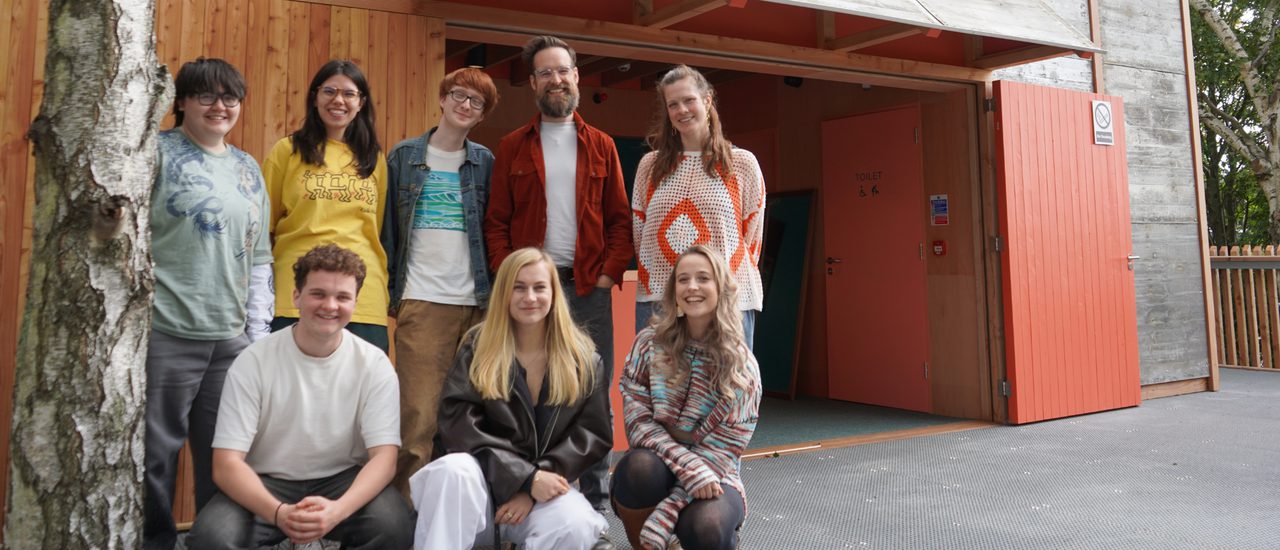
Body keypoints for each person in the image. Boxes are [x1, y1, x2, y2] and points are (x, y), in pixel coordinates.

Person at [484, 34, 632, 513]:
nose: (555, 79)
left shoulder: (603, 145)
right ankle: (531, 495)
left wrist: (607, 277)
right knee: (527, 392)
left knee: (593, 395)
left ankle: (596, 506)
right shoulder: (512, 147)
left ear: (576, 77)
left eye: (562, 70)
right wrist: (510, 279)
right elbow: (496, 223)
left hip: (586, 289)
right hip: (531, 293)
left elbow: (620, 221)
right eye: (545, 72)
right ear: (532, 83)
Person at [187, 244, 413, 549]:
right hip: (266, 481)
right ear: (296, 296)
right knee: (211, 537)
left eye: (342, 297)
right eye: (318, 294)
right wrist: (279, 513)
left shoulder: (374, 364)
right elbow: (226, 464)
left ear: (355, 302)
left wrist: (336, 512)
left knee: (393, 525)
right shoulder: (254, 361)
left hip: (342, 479)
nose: (330, 306)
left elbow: (384, 459)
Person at [143, 57, 273, 550]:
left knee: (226, 458)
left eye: (230, 97)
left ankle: (214, 542)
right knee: (154, 457)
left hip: (229, 340)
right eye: (206, 96)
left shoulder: (247, 167)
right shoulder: (155, 152)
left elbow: (259, 257)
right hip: (166, 331)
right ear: (181, 102)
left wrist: (256, 334)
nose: (220, 106)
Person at [409, 248, 614, 550]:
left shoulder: (584, 360)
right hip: (478, 491)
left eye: (539, 287)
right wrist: (525, 478)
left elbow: (591, 436)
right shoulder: (476, 349)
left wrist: (533, 486)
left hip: (543, 491)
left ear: (554, 294)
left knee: (577, 524)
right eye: (519, 287)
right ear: (504, 293)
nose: (530, 297)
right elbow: (458, 428)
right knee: (452, 470)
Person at [382, 67, 499, 494]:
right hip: (422, 300)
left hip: (477, 306)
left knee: (473, 418)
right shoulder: (404, 157)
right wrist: (391, 295)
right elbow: (388, 232)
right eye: (459, 95)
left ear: (482, 115)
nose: (465, 105)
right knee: (418, 420)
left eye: (476, 102)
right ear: (443, 98)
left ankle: (464, 513)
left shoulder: (485, 162)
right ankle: (408, 516)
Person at [614, 245, 762, 550]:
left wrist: (667, 512)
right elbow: (638, 423)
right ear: (674, 290)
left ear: (721, 288)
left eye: (703, 278)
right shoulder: (648, 344)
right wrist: (687, 466)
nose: (692, 286)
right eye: (683, 279)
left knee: (707, 525)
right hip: (658, 458)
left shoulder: (742, 366)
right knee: (638, 468)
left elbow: (725, 449)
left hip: (715, 471)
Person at [632, 65, 766, 348]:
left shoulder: (741, 164)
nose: (682, 110)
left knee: (725, 377)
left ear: (707, 100)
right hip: (660, 300)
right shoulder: (650, 166)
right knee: (658, 376)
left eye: (689, 100)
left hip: (725, 302)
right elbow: (640, 233)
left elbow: (752, 237)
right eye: (673, 104)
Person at [263, 59, 390, 351]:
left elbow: (377, 228)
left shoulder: (374, 158)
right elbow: (262, 229)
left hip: (363, 296)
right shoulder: (287, 151)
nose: (338, 100)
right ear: (315, 97)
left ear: (361, 103)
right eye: (329, 91)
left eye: (349, 93)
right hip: (298, 291)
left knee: (361, 379)